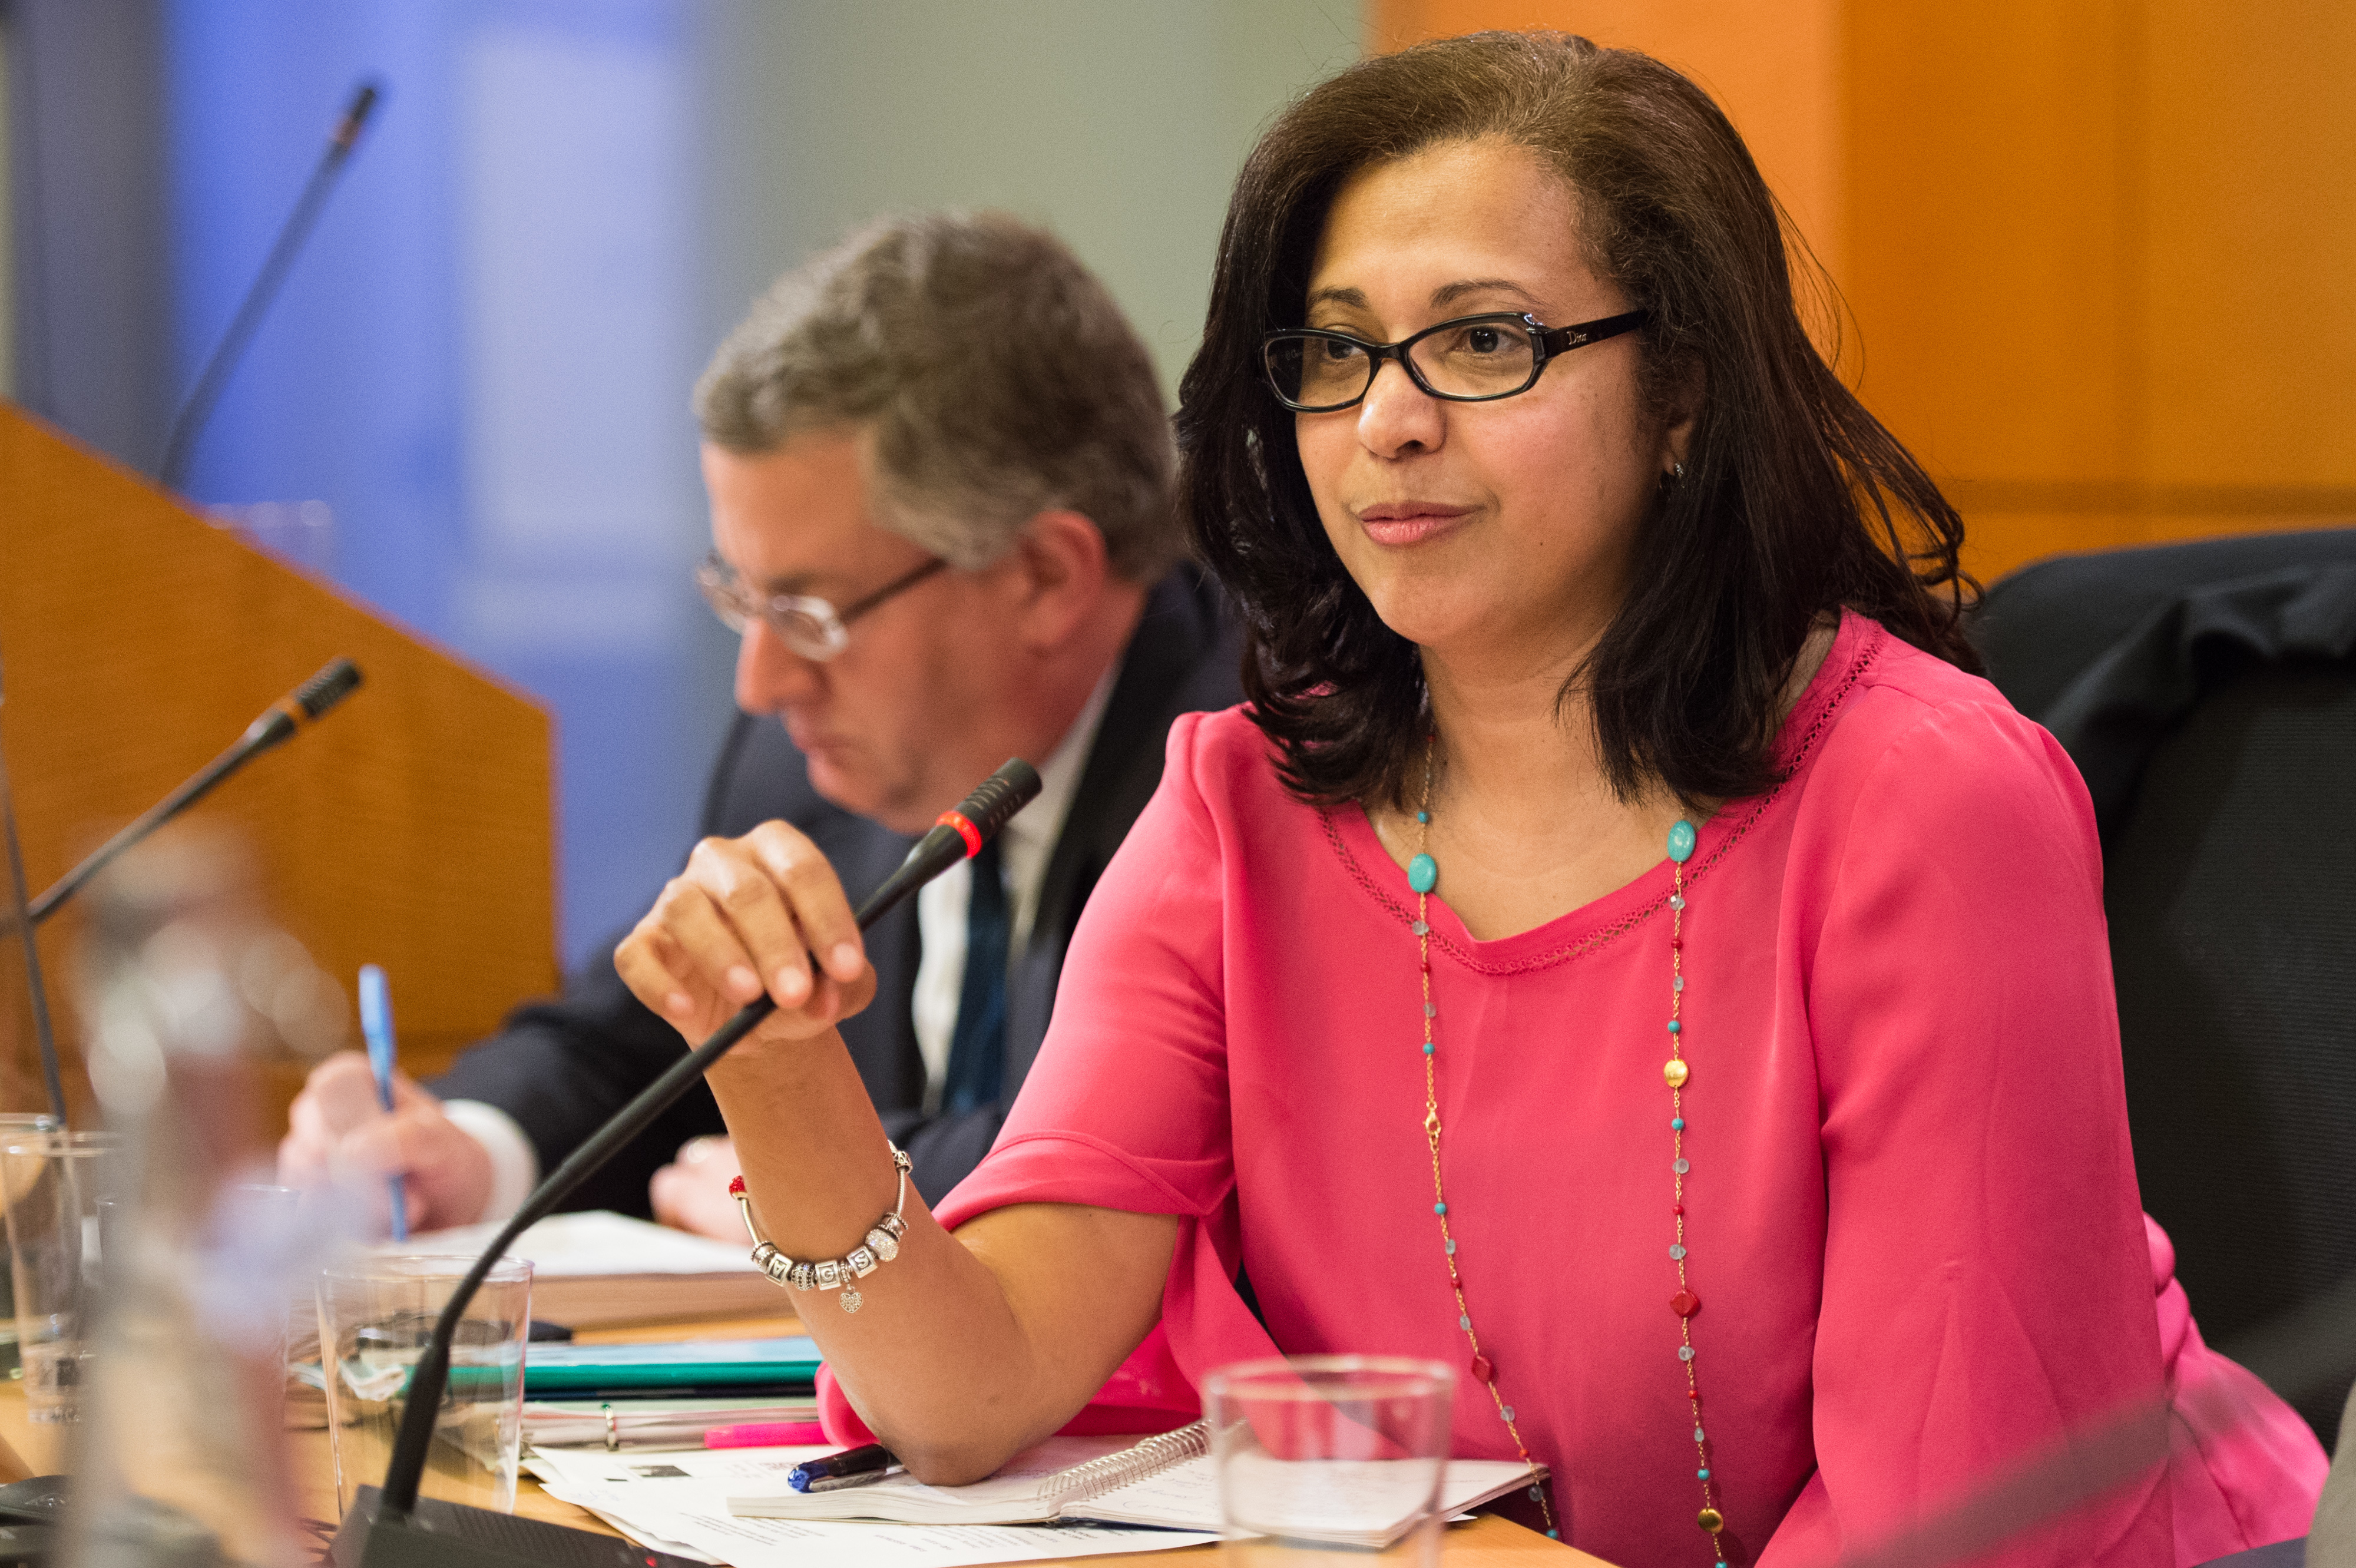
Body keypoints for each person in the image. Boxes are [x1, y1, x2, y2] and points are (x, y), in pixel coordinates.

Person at [611, 34, 2322, 1567]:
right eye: (1338, 355)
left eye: (1484, 341)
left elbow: (1956, 1519)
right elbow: (972, 1389)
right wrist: (779, 1068)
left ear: (1684, 397)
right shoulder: (1238, 805)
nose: (1391, 424)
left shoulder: (1926, 801)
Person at [276, 212, 1240, 1233]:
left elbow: (1173, 1144)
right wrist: (467, 1148)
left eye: (810, 615)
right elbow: (643, 1045)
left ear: (1046, 576)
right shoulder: (804, 761)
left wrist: (830, 1188)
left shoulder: (1261, 767)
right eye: (744, 600)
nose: (762, 683)